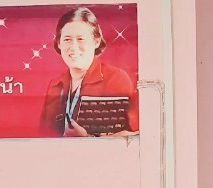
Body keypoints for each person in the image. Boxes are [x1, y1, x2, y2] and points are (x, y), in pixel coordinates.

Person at [40, 6, 139, 137]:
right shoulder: (55, 85)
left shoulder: (116, 79)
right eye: (67, 39)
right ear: (59, 43)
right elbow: (44, 134)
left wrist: (87, 139)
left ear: (96, 41)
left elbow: (135, 135)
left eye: (81, 39)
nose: (73, 47)